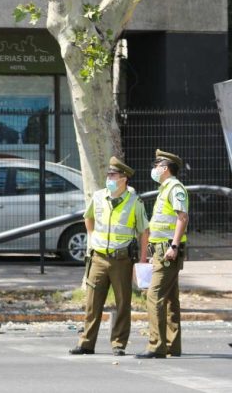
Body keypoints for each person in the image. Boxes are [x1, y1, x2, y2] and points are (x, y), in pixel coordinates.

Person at [70, 156, 149, 357]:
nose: (109, 178)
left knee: (123, 303)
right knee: (92, 302)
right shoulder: (98, 197)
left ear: (124, 179)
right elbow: (88, 217)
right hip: (98, 257)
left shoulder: (134, 202)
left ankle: (119, 343)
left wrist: (141, 260)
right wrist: (91, 237)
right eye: (108, 175)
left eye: (113, 175)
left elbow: (143, 231)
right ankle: (86, 343)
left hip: (122, 259)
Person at [136, 149, 189, 359]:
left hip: (168, 251)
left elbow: (182, 217)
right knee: (170, 299)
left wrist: (174, 246)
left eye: (156, 165)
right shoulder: (164, 189)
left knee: (154, 295)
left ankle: (156, 345)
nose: (154, 169)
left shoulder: (175, 188)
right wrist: (150, 253)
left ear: (165, 168)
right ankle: (172, 346)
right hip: (161, 250)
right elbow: (157, 228)